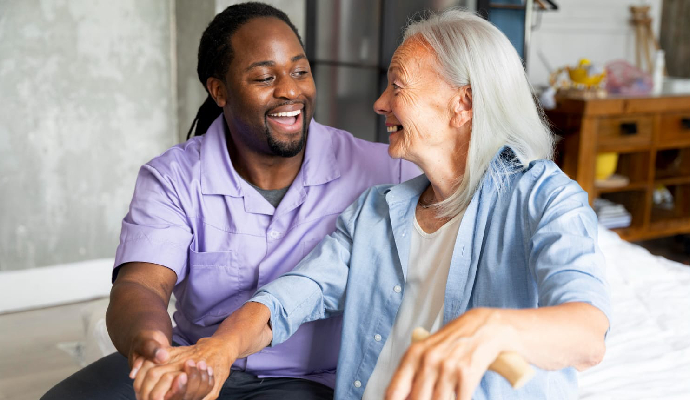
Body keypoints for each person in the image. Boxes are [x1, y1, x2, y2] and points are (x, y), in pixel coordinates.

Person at [133, 8, 611, 400]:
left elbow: (588, 335)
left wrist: (489, 329)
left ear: (462, 104)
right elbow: (290, 297)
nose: (380, 104)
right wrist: (219, 348)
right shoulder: (376, 210)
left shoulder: (545, 197)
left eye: (397, 87)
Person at [41, 3, 419, 400]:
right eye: (264, 77)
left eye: (300, 71)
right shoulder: (173, 177)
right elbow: (142, 285)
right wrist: (153, 349)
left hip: (305, 379)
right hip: (191, 359)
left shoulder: (383, 170)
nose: (290, 90)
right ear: (219, 90)